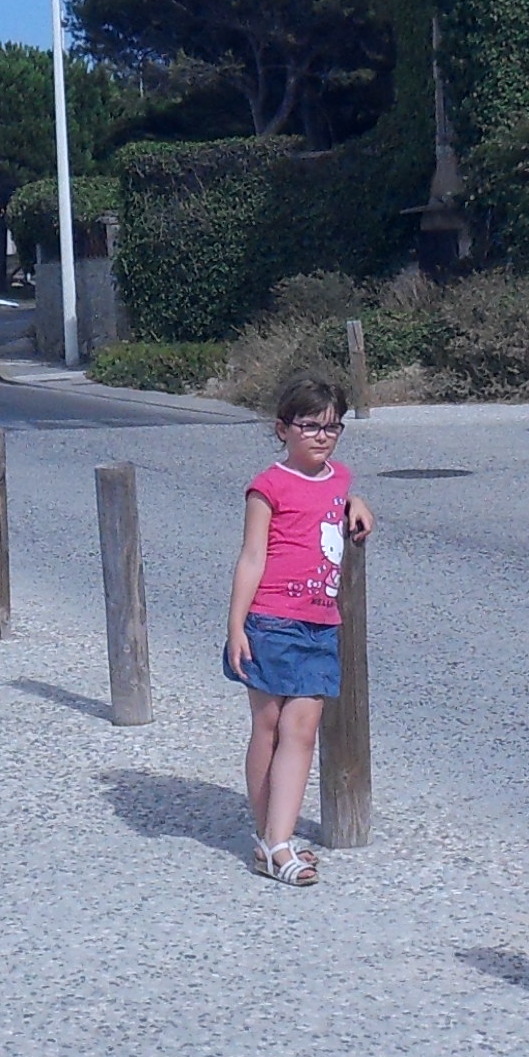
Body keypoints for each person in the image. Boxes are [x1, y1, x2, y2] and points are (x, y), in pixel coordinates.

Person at [222, 374, 374, 884]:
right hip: (270, 621)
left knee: (302, 730)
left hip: (320, 625)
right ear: (283, 429)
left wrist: (356, 502)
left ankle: (278, 841)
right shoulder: (267, 487)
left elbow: (334, 498)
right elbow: (251, 557)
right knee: (268, 728)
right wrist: (236, 626)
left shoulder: (339, 478)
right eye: (310, 426)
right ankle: (270, 840)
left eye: (332, 427)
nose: (321, 436)